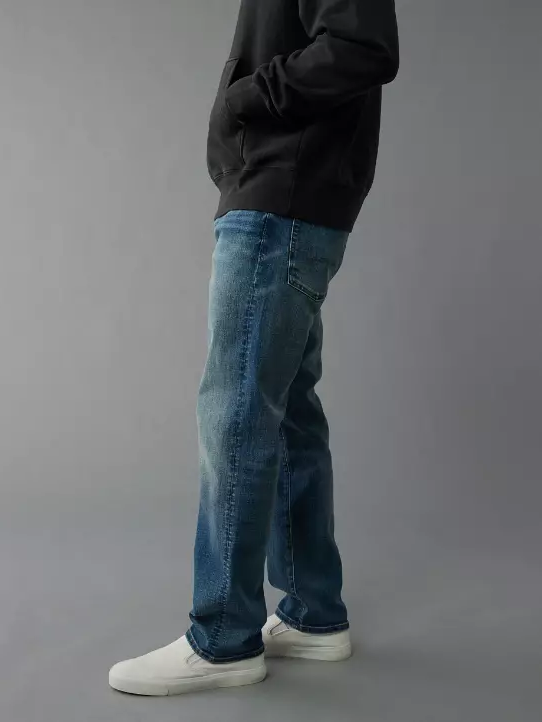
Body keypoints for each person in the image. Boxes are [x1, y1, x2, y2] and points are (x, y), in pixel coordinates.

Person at [109, 0, 399, 696]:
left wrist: (245, 98)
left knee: (236, 411)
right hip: (287, 193)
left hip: (281, 198)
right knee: (286, 409)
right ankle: (313, 614)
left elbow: (362, 46)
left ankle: (223, 639)